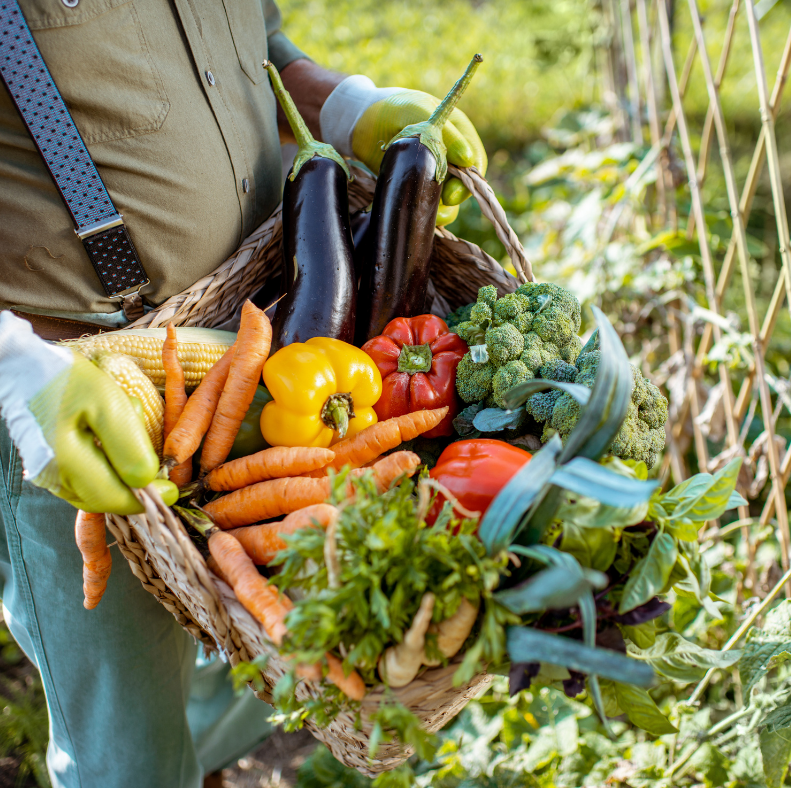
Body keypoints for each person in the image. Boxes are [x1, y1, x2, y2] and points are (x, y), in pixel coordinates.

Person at [0, 2, 487, 786]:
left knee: (256, 641)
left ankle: (205, 743)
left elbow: (254, 44)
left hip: (279, 321)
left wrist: (345, 103)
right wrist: (15, 368)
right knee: (128, 754)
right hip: (75, 396)